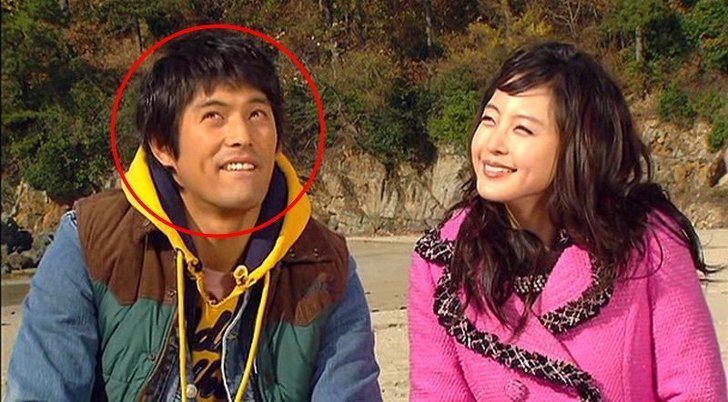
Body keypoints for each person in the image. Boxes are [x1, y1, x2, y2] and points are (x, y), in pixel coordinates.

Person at [7, 29, 382, 402]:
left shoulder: (325, 266)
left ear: (278, 140)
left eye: (256, 113)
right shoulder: (92, 243)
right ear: (163, 145)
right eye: (214, 115)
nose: (242, 136)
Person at [408, 41, 726, 401]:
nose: (493, 143)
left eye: (522, 129)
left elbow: (697, 390)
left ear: (579, 144)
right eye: (489, 119)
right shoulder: (446, 260)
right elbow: (436, 393)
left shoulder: (645, 239)